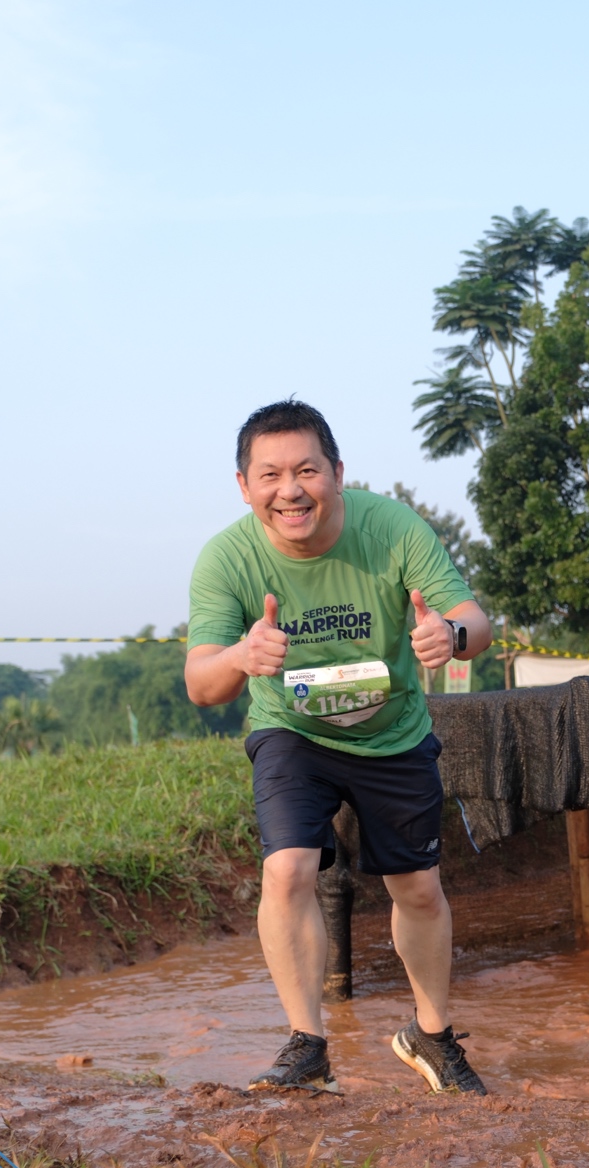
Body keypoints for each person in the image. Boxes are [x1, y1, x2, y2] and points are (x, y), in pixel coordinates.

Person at [185, 400, 494, 1095]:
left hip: (393, 732)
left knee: (418, 889)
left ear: (337, 473)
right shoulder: (227, 559)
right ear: (244, 486)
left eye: (306, 471)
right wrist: (240, 654)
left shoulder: (392, 528)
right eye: (269, 475)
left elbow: (475, 621)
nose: (289, 491)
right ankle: (308, 1046)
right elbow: (202, 683)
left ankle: (432, 1034)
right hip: (293, 732)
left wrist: (449, 634)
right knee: (287, 870)